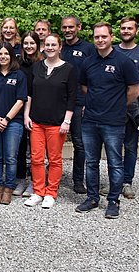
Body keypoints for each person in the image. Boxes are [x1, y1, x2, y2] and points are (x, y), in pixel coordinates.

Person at [75, 22, 139, 220]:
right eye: (97, 37)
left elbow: (134, 91)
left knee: (115, 163)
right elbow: (85, 87)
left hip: (114, 121)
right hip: (90, 120)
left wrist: (118, 105)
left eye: (104, 36)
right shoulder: (88, 62)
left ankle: (113, 201)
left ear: (112, 37)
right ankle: (92, 197)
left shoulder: (123, 62)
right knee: (91, 162)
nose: (100, 40)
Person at [23, 34, 78, 209]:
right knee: (36, 158)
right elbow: (30, 94)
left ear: (60, 47)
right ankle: (38, 191)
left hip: (57, 122)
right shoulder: (37, 67)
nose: (50, 47)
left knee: (54, 159)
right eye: (47, 44)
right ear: (43, 47)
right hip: (37, 121)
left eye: (54, 44)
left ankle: (51, 193)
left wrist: (67, 121)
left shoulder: (69, 69)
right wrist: (26, 115)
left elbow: (72, 97)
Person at [115, 17, 139, 199]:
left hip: (133, 107)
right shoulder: (113, 50)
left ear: (136, 31)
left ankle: (126, 182)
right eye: (123, 28)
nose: (126, 31)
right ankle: (114, 182)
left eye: (129, 28)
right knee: (112, 145)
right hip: (113, 106)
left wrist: (131, 93)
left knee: (130, 146)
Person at [0, 43, 27, 205]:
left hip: (13, 122)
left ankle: (8, 188)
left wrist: (7, 119)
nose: (3, 56)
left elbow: (21, 100)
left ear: (12, 56)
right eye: (0, 54)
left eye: (6, 54)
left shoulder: (19, 75)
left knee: (10, 157)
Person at [60, 14, 97, 194]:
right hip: (57, 103)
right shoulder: (58, 47)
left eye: (71, 27)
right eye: (65, 27)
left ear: (79, 28)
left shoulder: (89, 49)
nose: (67, 30)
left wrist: (87, 102)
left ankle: (77, 180)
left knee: (79, 143)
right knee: (52, 143)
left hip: (79, 103)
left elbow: (93, 77)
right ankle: (52, 178)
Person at [15, 31, 43, 197]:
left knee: (35, 148)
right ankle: (20, 179)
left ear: (37, 44)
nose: (29, 46)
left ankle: (35, 181)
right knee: (19, 147)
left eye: (32, 43)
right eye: (26, 43)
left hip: (38, 109)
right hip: (19, 108)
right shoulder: (18, 63)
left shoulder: (43, 63)